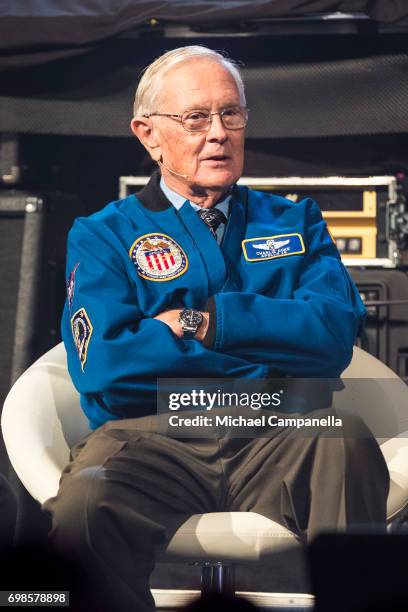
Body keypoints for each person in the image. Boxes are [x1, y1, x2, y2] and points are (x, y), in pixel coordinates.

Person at [43, 46, 389, 611]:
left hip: (281, 427)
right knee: (84, 501)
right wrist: (272, 347)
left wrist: (204, 323)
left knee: (345, 441)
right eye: (195, 117)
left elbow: (330, 338)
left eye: (232, 114)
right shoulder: (104, 234)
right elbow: (106, 365)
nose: (218, 134)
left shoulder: (295, 220)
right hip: (150, 435)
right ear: (148, 134)